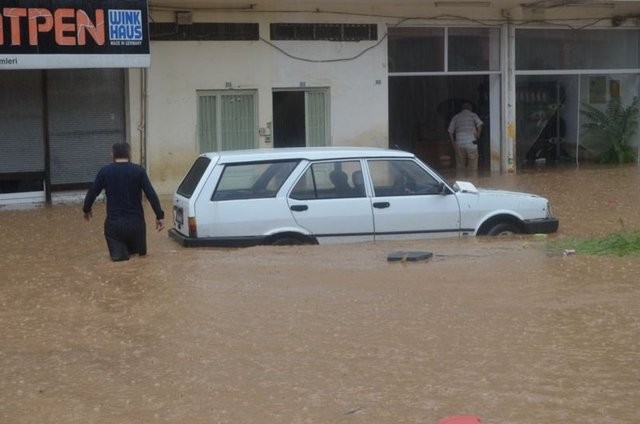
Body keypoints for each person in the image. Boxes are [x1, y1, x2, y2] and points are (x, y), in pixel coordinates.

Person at [83, 142, 165, 261]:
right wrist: (160, 216)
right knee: (139, 263)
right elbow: (151, 195)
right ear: (129, 154)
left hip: (115, 227)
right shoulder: (139, 171)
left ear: (113, 154)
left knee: (120, 265)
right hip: (137, 225)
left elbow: (92, 192)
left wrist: (86, 209)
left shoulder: (105, 171)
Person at [448, 102, 483, 172]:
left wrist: (453, 143)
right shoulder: (473, 115)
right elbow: (480, 124)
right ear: (470, 108)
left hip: (459, 144)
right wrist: (478, 134)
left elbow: (450, 131)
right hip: (471, 144)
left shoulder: (456, 117)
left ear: (461, 109)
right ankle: (474, 180)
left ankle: (461, 180)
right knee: (473, 167)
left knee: (460, 167)